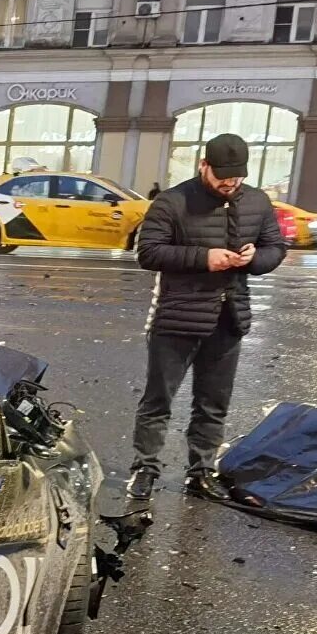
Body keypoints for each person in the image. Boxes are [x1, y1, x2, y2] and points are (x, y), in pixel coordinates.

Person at [125, 133, 287, 503]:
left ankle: (201, 471)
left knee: (213, 403)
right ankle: (145, 470)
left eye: (237, 179)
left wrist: (254, 259)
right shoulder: (172, 201)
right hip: (177, 318)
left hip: (229, 318)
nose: (230, 185)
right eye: (222, 177)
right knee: (158, 400)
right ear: (203, 166)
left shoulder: (258, 202)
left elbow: (275, 247)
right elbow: (148, 253)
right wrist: (204, 258)